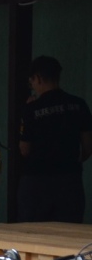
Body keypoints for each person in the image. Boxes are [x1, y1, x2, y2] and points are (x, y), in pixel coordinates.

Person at [18, 56, 92, 223]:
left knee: (34, 236)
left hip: (36, 183)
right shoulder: (79, 105)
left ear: (37, 78)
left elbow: (25, 149)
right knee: (67, 235)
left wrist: (28, 109)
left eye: (32, 82)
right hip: (69, 182)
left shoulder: (32, 109)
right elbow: (87, 147)